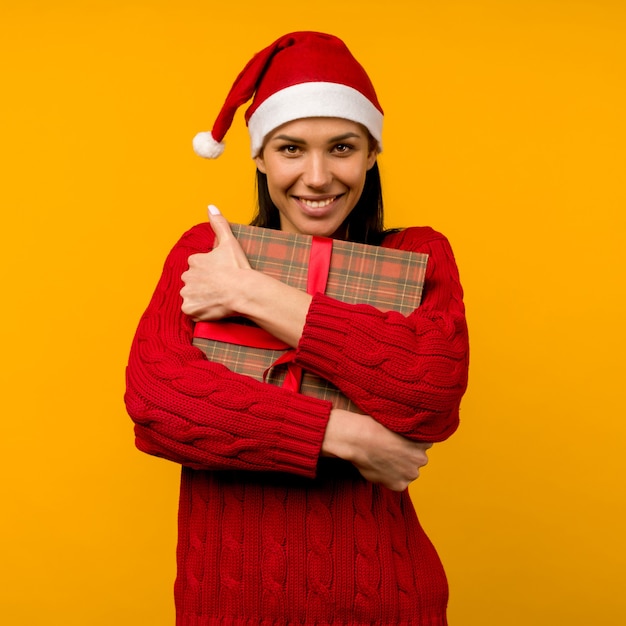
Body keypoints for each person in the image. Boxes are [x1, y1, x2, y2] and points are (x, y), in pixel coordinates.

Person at [125, 31, 469, 625]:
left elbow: (430, 393)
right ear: (258, 156)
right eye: (290, 149)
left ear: (370, 154)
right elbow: (160, 404)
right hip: (228, 602)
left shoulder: (420, 254)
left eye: (341, 148)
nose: (316, 177)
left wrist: (252, 294)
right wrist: (348, 437)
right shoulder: (206, 253)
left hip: (382, 596)